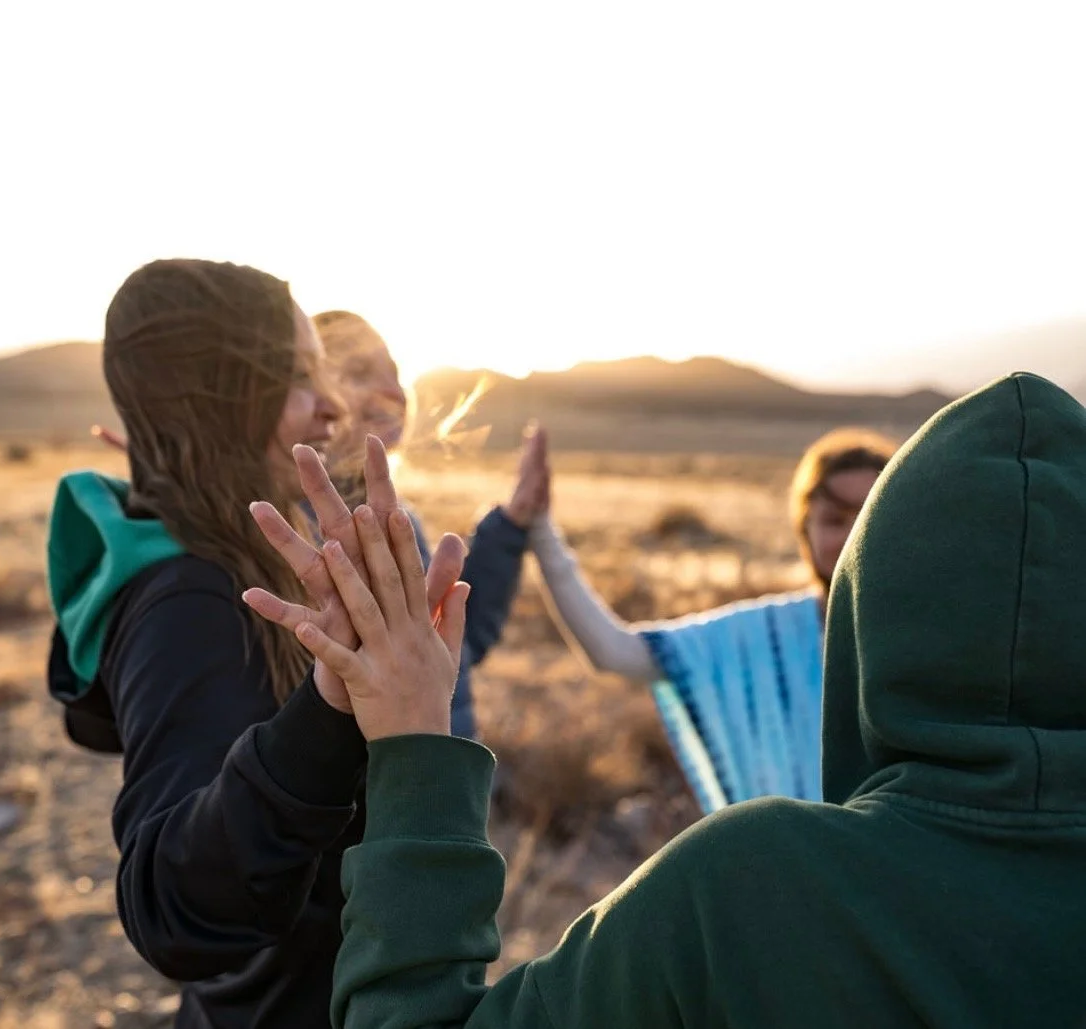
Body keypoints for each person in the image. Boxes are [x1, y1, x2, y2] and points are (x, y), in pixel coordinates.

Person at [250, 371, 1086, 1028]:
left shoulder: (744, 891)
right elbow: (623, 648)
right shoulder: (765, 634)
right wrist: (536, 532)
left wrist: (413, 749)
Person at [45, 258, 465, 1029]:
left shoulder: (234, 556)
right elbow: (168, 904)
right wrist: (328, 708)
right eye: (298, 376)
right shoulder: (193, 596)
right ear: (217, 395)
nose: (334, 404)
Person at [530, 427, 897, 811]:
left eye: (869, 516)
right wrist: (540, 532)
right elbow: (615, 651)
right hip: (796, 848)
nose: (854, 537)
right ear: (804, 527)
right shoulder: (765, 635)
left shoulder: (927, 636)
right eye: (835, 521)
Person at [311, 309, 549, 739]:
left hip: (438, 773)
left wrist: (511, 525)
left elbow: (448, 650)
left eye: (396, 373)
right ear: (310, 397)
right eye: (359, 373)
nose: (395, 393)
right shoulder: (298, 533)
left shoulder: (399, 520)